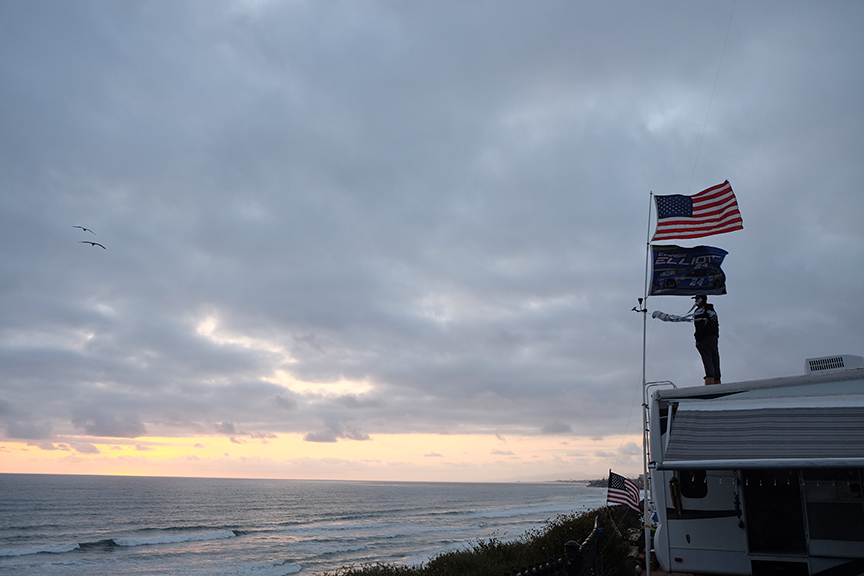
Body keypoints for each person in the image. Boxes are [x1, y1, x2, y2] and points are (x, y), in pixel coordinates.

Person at [692, 295, 720, 385]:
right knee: (715, 358)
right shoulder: (712, 310)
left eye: (696, 299)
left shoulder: (700, 311)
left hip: (705, 337)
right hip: (713, 337)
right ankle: (717, 380)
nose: (695, 301)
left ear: (701, 300)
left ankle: (710, 380)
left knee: (707, 358)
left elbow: (700, 326)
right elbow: (716, 324)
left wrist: (698, 338)